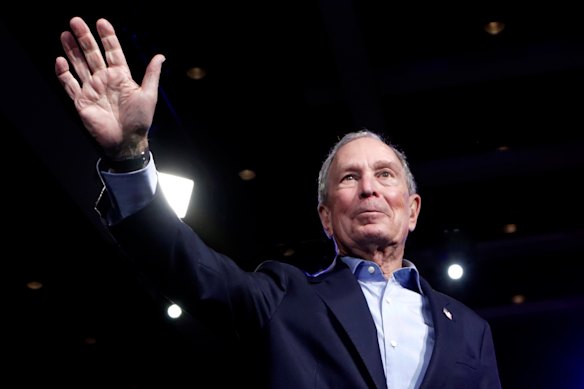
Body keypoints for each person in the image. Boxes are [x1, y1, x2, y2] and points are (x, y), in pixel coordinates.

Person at [55, 16, 502, 389]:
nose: (369, 188)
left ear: (413, 211)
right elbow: (184, 264)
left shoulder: (470, 329)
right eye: (350, 177)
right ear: (325, 217)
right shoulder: (283, 296)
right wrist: (129, 154)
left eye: (384, 175)